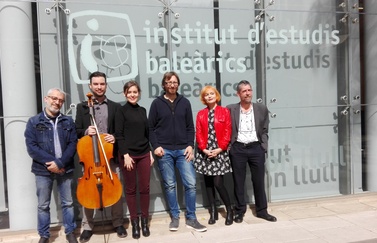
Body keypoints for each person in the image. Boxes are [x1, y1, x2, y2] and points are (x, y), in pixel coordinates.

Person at [148, 71, 207, 232]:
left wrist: (190, 145)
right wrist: (156, 146)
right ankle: (175, 217)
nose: (172, 85)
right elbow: (151, 128)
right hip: (164, 151)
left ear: (178, 84)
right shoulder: (157, 104)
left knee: (191, 184)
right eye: (169, 82)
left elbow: (190, 127)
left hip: (183, 150)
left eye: (174, 82)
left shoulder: (185, 102)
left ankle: (191, 218)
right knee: (170, 185)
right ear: (164, 85)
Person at [75, 71, 126, 242]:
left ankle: (118, 222)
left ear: (106, 85)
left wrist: (114, 136)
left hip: (109, 156)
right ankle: (88, 226)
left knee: (115, 188)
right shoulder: (83, 107)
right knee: (87, 192)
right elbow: (76, 131)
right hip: (90, 157)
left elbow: (120, 131)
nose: (99, 87)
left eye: (102, 83)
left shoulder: (115, 107)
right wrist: (85, 131)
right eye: (95, 84)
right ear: (90, 86)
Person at [24, 88, 78, 243]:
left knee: (68, 202)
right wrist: (53, 163)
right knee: (43, 205)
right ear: (46, 99)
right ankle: (44, 235)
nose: (57, 102)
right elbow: (32, 147)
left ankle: (70, 231)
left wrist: (60, 163)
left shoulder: (68, 121)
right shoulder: (34, 122)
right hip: (42, 170)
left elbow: (73, 144)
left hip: (65, 168)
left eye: (60, 100)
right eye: (54, 98)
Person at [226, 80, 277, 223]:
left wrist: (263, 146)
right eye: (244, 91)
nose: (247, 93)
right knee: (238, 181)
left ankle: (262, 211)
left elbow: (265, 129)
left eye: (249, 90)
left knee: (259, 181)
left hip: (256, 148)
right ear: (238, 94)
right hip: (238, 149)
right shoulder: (231, 109)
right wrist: (229, 147)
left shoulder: (261, 108)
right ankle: (239, 211)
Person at [115, 81, 154, 239]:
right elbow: (119, 134)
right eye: (129, 92)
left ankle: (145, 222)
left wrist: (150, 151)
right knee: (131, 190)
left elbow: (147, 133)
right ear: (125, 94)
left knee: (144, 188)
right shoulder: (121, 111)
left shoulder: (143, 110)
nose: (132, 94)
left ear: (139, 93)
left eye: (135, 92)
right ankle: (135, 224)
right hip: (128, 156)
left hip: (144, 153)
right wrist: (125, 155)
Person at [194, 86, 233, 226]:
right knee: (208, 183)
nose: (209, 96)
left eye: (211, 94)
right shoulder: (201, 114)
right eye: (206, 95)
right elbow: (198, 133)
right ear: (203, 98)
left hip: (219, 152)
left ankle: (229, 210)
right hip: (205, 152)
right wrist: (203, 149)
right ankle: (213, 211)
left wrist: (220, 149)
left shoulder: (224, 111)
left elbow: (228, 131)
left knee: (218, 183)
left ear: (216, 95)